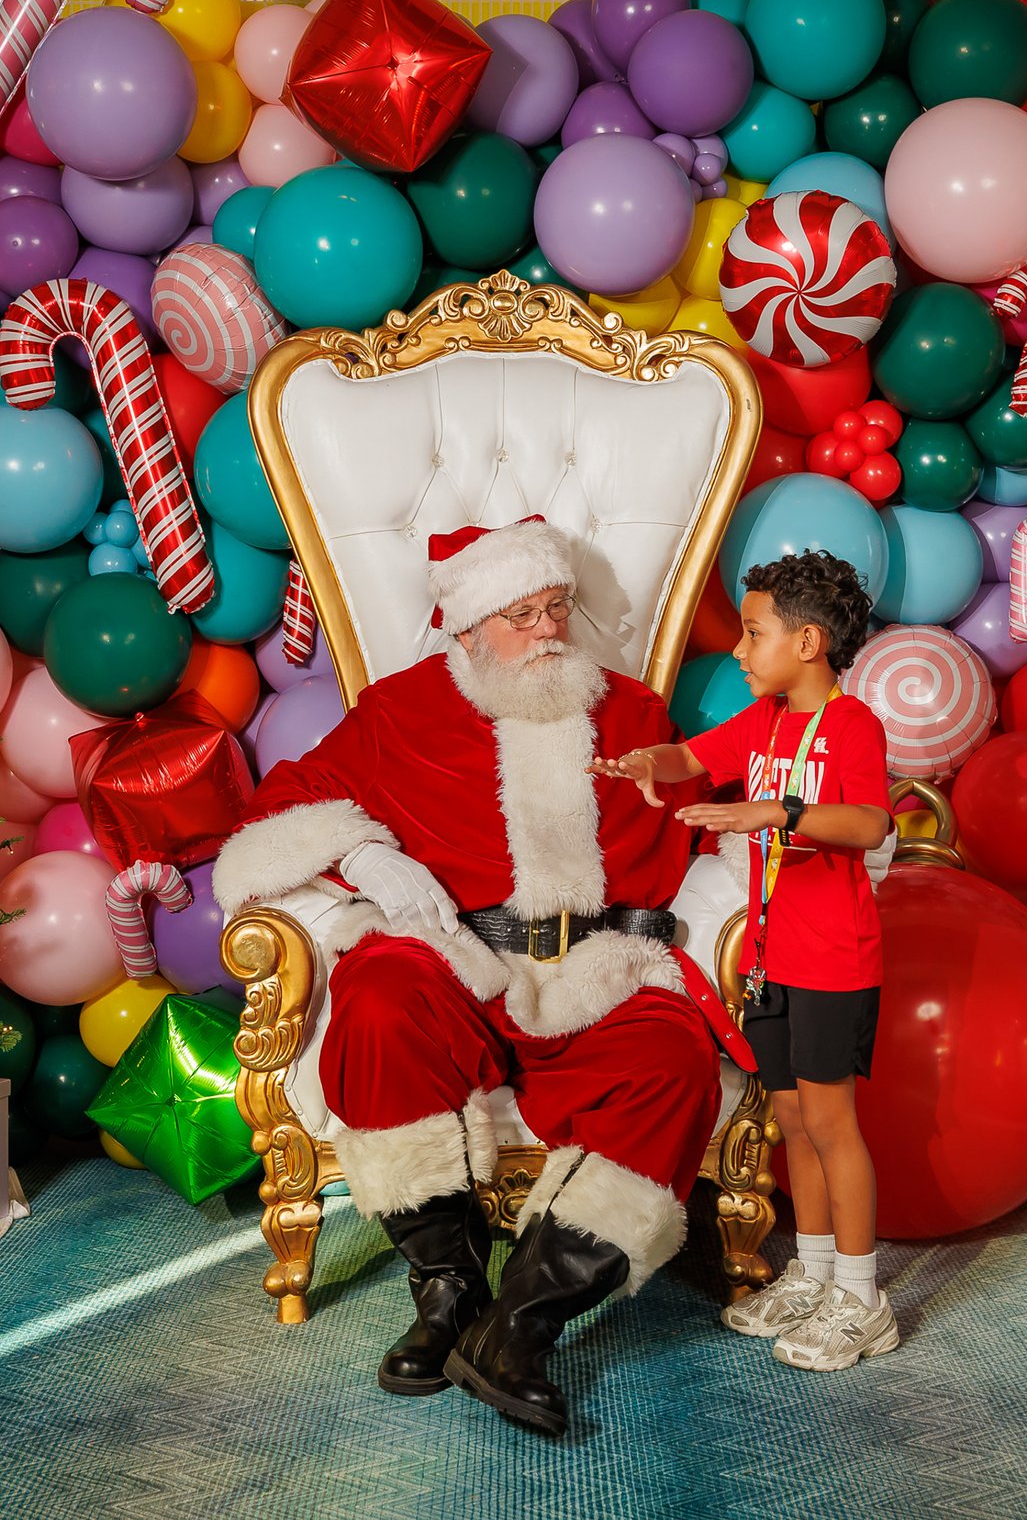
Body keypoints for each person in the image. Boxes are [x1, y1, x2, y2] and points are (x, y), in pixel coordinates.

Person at [213, 518, 751, 1438]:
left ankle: (516, 1328)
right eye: (520, 616)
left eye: (554, 609)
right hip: (453, 959)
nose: (546, 631)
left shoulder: (630, 713)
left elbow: (710, 812)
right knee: (378, 1001)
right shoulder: (399, 713)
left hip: (597, 968)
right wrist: (363, 858)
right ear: (465, 631)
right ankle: (447, 1293)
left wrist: (828, 821)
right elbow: (282, 811)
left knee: (673, 1059)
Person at [593, 551, 895, 1371]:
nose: (737, 649)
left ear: (806, 642)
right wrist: (645, 764)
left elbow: (869, 825)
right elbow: (691, 758)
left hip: (835, 958)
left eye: (752, 633)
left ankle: (863, 1299)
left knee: (832, 1123)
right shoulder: (761, 724)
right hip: (768, 953)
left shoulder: (852, 726)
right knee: (791, 1118)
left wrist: (778, 810)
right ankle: (816, 1273)